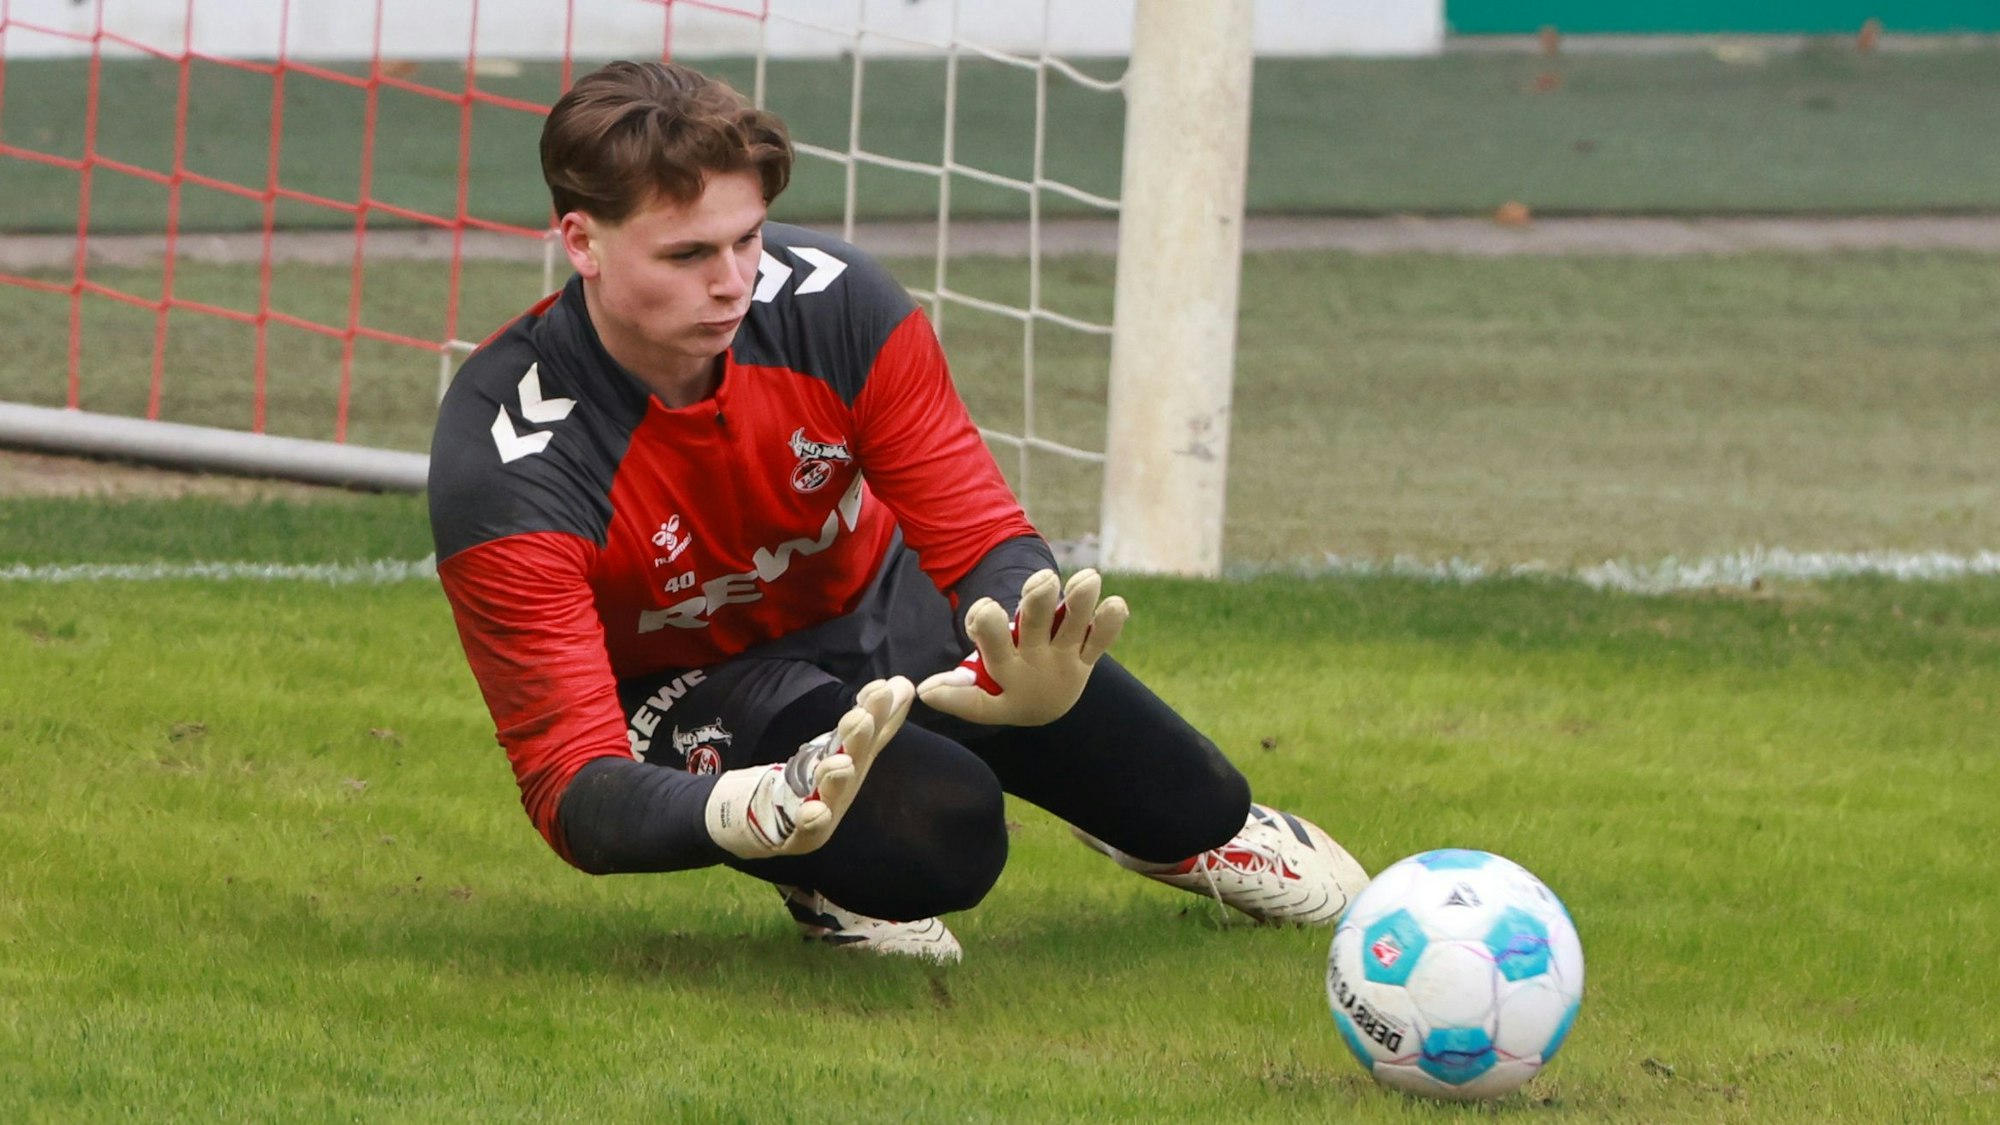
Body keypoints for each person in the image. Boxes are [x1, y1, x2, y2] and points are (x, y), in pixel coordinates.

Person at [428, 60, 1366, 963]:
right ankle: (817, 868)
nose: (732, 280)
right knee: (945, 833)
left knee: (1192, 799)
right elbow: (568, 785)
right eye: (687, 253)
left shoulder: (839, 304)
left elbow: (975, 523)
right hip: (696, 686)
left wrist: (1027, 639)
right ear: (581, 240)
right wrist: (738, 809)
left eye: (748, 237)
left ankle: (1169, 832)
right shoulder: (506, 460)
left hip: (870, 601)